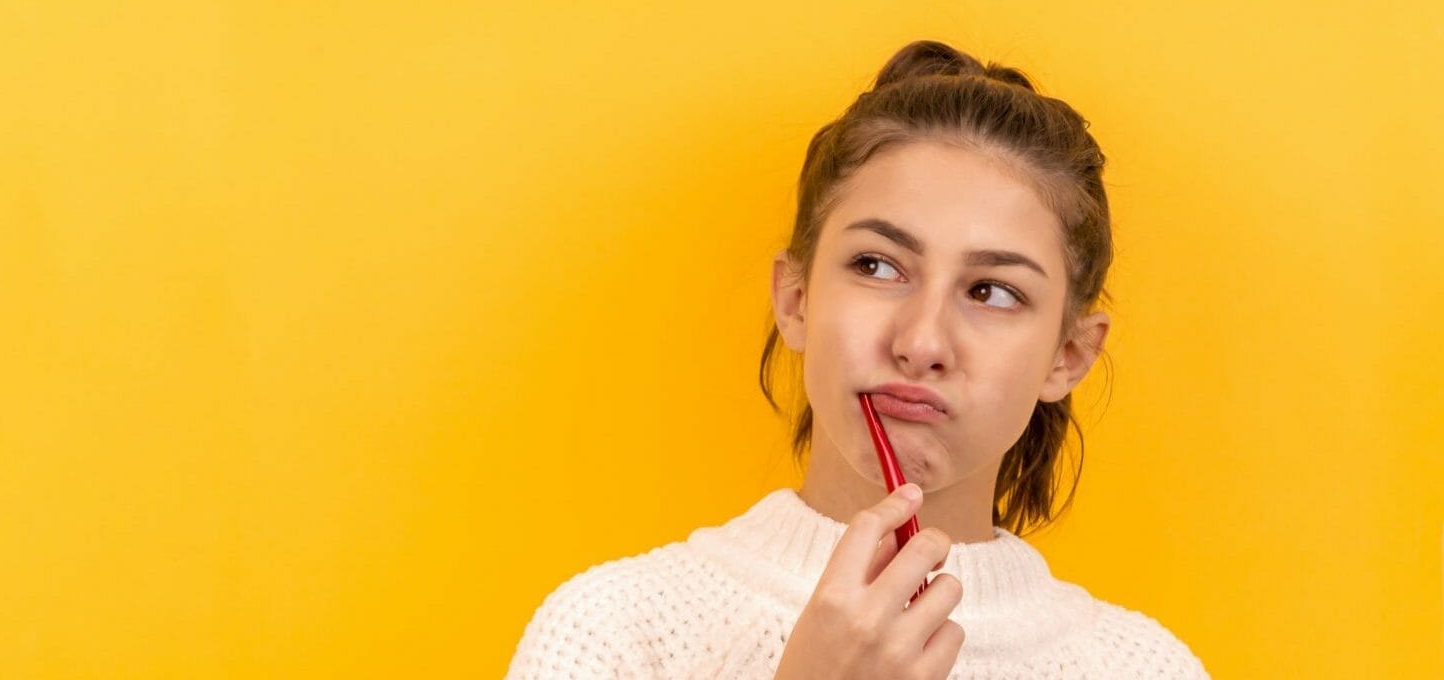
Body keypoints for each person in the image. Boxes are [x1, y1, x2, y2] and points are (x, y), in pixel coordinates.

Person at [506, 39, 1209, 679]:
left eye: (991, 291)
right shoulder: (613, 637)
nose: (921, 343)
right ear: (796, 300)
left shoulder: (1147, 670)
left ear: (1069, 355)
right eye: (876, 266)